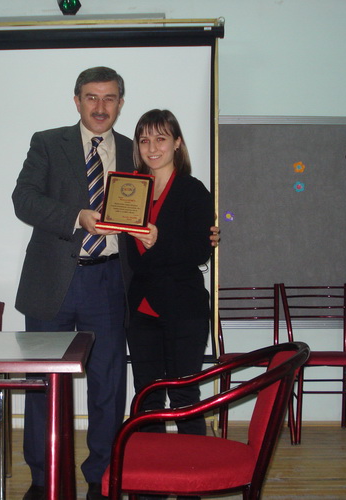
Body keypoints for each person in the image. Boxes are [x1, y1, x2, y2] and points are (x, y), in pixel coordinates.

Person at [12, 66, 132, 500]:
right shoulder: (48, 143)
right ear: (77, 101)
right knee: (44, 384)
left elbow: (159, 203)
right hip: (52, 282)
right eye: (91, 97)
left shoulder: (134, 150)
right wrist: (76, 217)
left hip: (109, 281)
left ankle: (102, 476)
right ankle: (43, 477)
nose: (100, 107)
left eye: (109, 98)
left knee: (108, 385)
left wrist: (197, 232)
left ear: (121, 103)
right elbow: (23, 200)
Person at [126, 109, 213, 441]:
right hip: (142, 309)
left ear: (177, 142)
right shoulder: (131, 189)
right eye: (144, 140)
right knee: (147, 398)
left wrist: (159, 239)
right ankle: (152, 470)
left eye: (160, 139)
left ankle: (192, 471)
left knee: (183, 397)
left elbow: (199, 251)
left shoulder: (193, 190)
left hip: (183, 309)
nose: (152, 148)